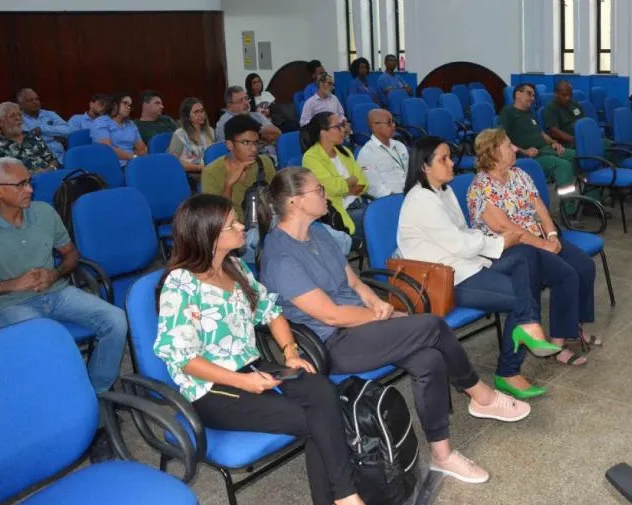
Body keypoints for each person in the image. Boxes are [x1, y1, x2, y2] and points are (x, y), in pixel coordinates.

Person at [258, 168, 532, 485]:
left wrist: (373, 301)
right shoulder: (281, 257)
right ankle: (480, 394)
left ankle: (442, 457)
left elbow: (352, 279)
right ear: (295, 202)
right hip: (333, 342)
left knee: (428, 359)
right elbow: (331, 315)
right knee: (432, 326)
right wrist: (382, 316)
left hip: (364, 324)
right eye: (318, 190)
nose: (325, 194)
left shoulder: (318, 232)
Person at [154, 193, 366, 505]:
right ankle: (346, 498)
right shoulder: (180, 284)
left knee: (322, 391)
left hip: (252, 366)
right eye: (231, 224)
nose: (242, 225)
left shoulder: (236, 267)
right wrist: (244, 382)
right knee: (312, 421)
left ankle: (343, 498)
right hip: (209, 388)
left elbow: (273, 313)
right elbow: (183, 359)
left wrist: (291, 352)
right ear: (209, 236)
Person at [397, 135, 564, 398]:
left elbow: (465, 236)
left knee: (523, 254)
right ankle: (509, 370)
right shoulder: (421, 201)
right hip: (447, 279)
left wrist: (500, 243)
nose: (452, 163)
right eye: (443, 159)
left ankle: (529, 326)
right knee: (522, 295)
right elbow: (461, 244)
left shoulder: (443, 191)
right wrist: (498, 242)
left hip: (467, 264)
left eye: (450, 156)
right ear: (424, 167)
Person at [0, 156, 127, 393]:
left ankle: (95, 392)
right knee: (52, 341)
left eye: (29, 181)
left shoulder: (44, 212)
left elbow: (71, 253)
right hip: (8, 306)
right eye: (21, 184)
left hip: (57, 292)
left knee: (116, 319)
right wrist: (13, 285)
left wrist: (55, 273)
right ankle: (66, 399)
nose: (30, 189)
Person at [468, 128, 600, 364]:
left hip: (539, 240)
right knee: (566, 274)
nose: (515, 148)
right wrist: (542, 244)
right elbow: (506, 228)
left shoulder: (519, 174)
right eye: (509, 145)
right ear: (494, 153)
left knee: (584, 266)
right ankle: (559, 344)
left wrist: (551, 234)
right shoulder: (481, 188)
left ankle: (574, 329)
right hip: (513, 250)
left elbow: (539, 206)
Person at [498, 83, 577, 203]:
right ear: (518, 94)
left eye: (534, 95)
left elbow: (541, 133)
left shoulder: (529, 113)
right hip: (529, 156)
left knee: (574, 155)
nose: (532, 98)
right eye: (529, 94)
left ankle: (566, 189)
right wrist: (524, 151)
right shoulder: (508, 112)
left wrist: (553, 142)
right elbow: (501, 138)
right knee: (563, 165)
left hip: (545, 150)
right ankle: (568, 210)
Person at [301, 111, 367, 236]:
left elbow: (363, 182)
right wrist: (350, 181)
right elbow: (331, 189)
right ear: (323, 133)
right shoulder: (311, 157)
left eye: (343, 125)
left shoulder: (345, 152)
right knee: (379, 220)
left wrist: (344, 189)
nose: (343, 130)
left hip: (358, 203)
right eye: (338, 127)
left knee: (385, 213)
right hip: (339, 211)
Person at [202, 114, 276, 225]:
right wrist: (228, 185)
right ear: (230, 145)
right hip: (234, 230)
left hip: (266, 226)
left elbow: (277, 199)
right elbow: (215, 217)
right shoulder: (211, 172)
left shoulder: (265, 163)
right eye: (246, 143)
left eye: (256, 142)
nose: (254, 149)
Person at [0, 102, 58, 174]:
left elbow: (53, 160)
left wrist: (50, 169)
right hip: (18, 184)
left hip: (45, 178)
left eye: (19, 115)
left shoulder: (33, 136)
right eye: (12, 116)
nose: (18, 118)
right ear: (1, 122)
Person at [355, 108, 409, 197]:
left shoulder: (400, 146)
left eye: (393, 121)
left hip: (409, 195)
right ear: (374, 126)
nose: (393, 125)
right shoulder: (366, 153)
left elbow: (410, 173)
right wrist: (395, 198)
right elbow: (374, 187)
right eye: (389, 122)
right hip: (388, 200)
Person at [214, 86, 282, 154]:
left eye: (246, 98)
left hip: (271, 154)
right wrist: (263, 135)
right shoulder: (223, 124)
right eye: (240, 101)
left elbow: (277, 133)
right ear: (229, 106)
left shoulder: (256, 115)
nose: (246, 103)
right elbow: (227, 151)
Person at [91, 92, 147, 166]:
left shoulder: (131, 124)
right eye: (125, 103)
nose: (128, 107)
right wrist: (133, 156)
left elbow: (142, 149)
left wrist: (133, 158)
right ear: (114, 105)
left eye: (130, 105)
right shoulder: (100, 122)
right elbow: (108, 150)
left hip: (132, 164)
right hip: (110, 165)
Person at [168, 97, 215, 183]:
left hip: (210, 172)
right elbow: (174, 162)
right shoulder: (180, 135)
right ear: (187, 116)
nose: (201, 115)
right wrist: (199, 167)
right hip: (191, 176)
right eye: (196, 112)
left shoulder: (210, 131)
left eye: (202, 111)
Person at [17, 88, 70, 160]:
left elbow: (69, 129)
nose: (35, 102)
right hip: (38, 160)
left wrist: (42, 129)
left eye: (37, 99)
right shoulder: (18, 119)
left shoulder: (50, 114)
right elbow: (28, 140)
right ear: (20, 105)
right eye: (30, 100)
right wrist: (54, 135)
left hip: (61, 157)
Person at [543, 80, 589, 149]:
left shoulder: (575, 105)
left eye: (570, 95)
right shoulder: (551, 108)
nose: (568, 98)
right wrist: (575, 140)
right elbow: (554, 132)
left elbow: (584, 122)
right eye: (564, 95)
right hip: (567, 142)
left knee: (606, 144)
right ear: (556, 94)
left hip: (583, 136)